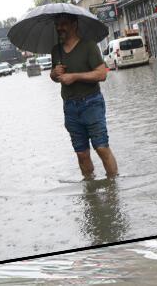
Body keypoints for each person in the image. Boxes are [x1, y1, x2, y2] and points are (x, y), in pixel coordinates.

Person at [50, 13, 118, 179]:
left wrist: (74, 76)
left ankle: (113, 186)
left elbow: (102, 74)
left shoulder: (89, 46)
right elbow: (54, 77)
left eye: (64, 24)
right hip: (70, 107)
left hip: (91, 103)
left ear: (74, 24)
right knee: (81, 153)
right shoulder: (55, 50)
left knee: (101, 147)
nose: (60, 28)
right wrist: (54, 73)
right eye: (57, 24)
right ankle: (90, 188)